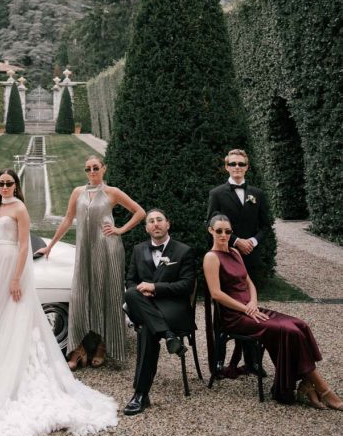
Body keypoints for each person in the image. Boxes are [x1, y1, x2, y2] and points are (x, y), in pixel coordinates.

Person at [0, 169, 118, 436]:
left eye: (9, 183)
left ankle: (12, 368)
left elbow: (23, 247)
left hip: (10, 263)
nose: (5, 187)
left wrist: (17, 277)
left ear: (16, 186)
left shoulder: (19, 207)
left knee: (13, 314)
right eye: (1, 183)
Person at [203, 213, 342, 409]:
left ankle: (306, 383)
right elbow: (216, 294)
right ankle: (323, 389)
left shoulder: (235, 252)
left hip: (251, 308)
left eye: (228, 231)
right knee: (289, 331)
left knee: (300, 325)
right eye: (219, 231)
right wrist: (245, 309)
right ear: (211, 231)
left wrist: (253, 302)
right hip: (234, 316)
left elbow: (248, 282)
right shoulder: (211, 257)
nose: (223, 235)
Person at [38, 155, 144, 369]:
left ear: (104, 169)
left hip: (108, 249)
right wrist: (50, 246)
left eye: (96, 167)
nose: (92, 171)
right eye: (88, 168)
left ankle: (104, 345)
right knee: (80, 293)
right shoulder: (78, 192)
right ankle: (79, 347)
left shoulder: (112, 192)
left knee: (108, 293)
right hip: (85, 250)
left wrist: (120, 230)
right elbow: (68, 219)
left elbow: (139, 212)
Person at [122, 209, 196, 415]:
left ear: (168, 224)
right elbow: (130, 280)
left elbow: (187, 286)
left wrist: (155, 288)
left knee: (146, 329)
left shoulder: (183, 251)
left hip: (173, 308)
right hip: (146, 306)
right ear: (146, 228)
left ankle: (140, 395)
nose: (155, 224)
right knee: (130, 294)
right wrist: (139, 291)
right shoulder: (138, 250)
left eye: (159, 220)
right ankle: (168, 336)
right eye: (151, 221)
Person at [206, 149, 272, 280]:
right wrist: (236, 241)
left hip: (250, 253)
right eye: (233, 164)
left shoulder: (258, 194)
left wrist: (252, 242)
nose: (237, 167)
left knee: (250, 294)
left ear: (246, 167)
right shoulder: (216, 194)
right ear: (227, 167)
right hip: (226, 251)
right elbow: (210, 224)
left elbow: (265, 226)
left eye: (241, 164)